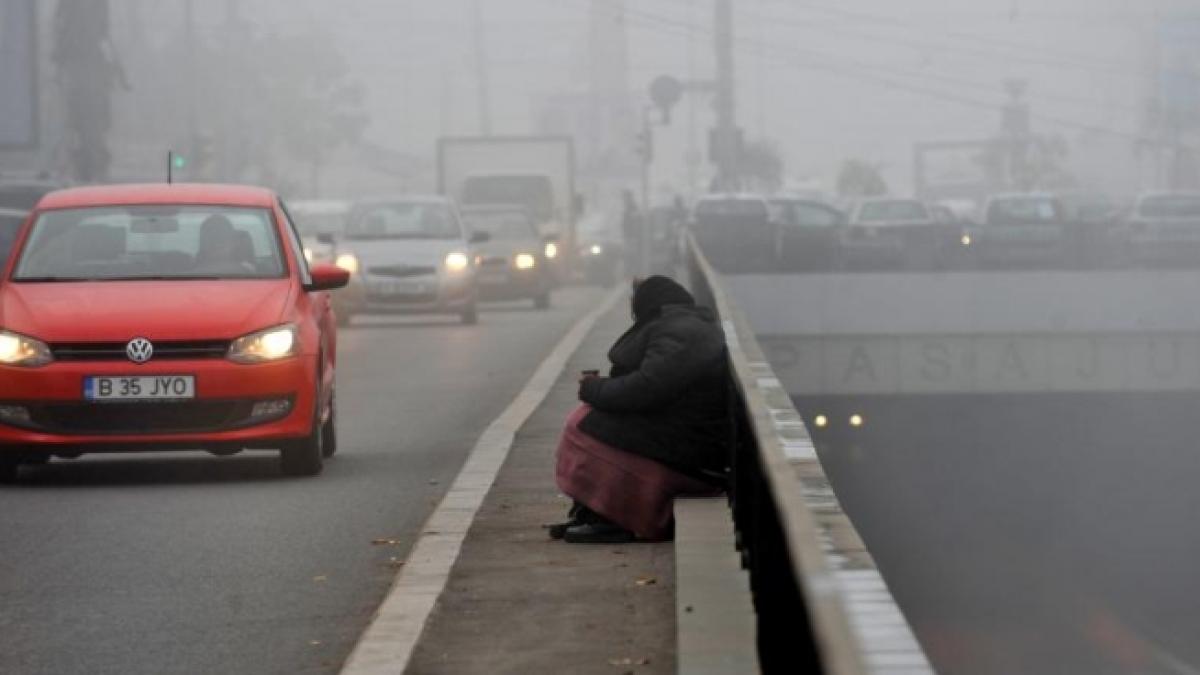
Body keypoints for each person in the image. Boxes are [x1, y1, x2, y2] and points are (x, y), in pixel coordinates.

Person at [551, 275, 730, 544]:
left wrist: (594, 389)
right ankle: (594, 510)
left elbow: (647, 387)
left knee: (584, 427)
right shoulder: (682, 326)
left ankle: (616, 517)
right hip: (683, 430)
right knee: (588, 419)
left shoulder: (680, 332)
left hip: (691, 448)